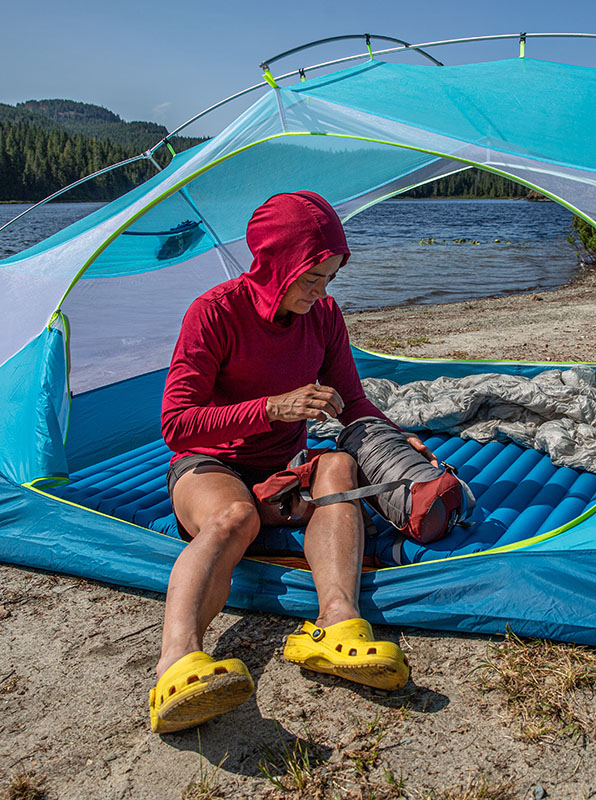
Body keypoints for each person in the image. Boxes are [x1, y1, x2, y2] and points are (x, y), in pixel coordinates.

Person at [149, 191, 439, 734]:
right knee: (236, 518)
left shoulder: (324, 315)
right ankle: (177, 662)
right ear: (276, 263)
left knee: (339, 467)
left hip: (285, 467)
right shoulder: (214, 313)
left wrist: (397, 438)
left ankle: (336, 624)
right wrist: (272, 408)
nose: (321, 292)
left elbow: (351, 399)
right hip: (212, 465)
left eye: (329, 278)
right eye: (311, 278)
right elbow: (176, 424)